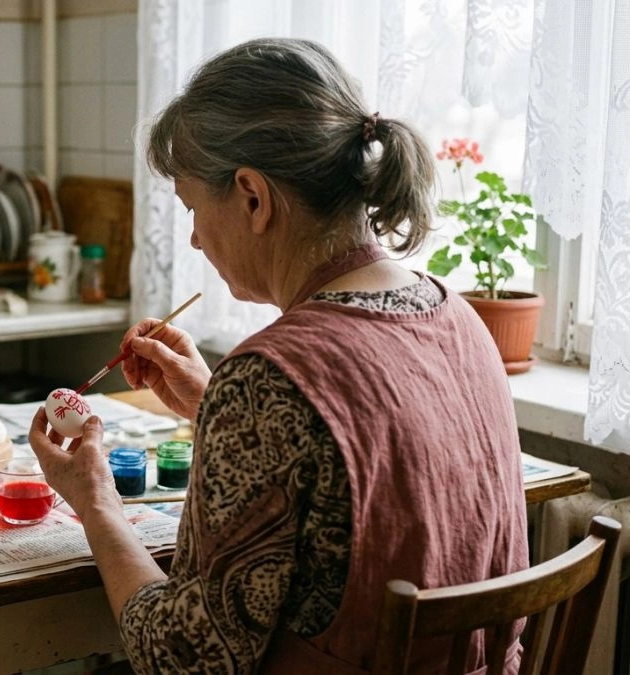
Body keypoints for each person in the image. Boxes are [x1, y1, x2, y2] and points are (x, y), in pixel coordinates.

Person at [28, 37, 527, 674]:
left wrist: (95, 499)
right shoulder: (457, 315)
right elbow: (346, 478)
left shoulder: (269, 382)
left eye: (192, 208)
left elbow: (183, 660)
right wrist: (217, 404)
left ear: (253, 197)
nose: (194, 237)